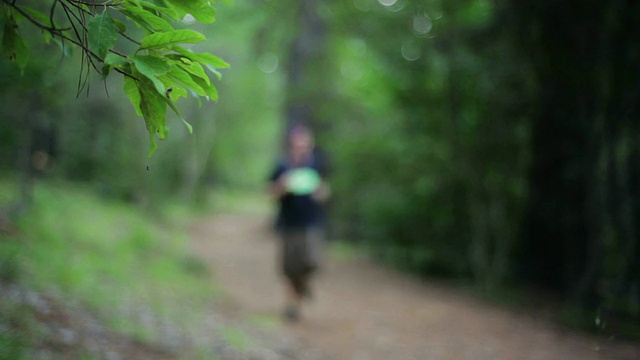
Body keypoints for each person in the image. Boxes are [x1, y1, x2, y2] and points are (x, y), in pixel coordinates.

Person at [268, 123, 329, 322]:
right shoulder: (282, 166)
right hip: (288, 223)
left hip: (311, 222)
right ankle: (293, 305)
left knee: (311, 262)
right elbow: (271, 192)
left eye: (305, 145)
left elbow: (325, 191)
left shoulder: (316, 165)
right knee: (289, 267)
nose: (301, 149)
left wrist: (321, 193)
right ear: (291, 146)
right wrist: (282, 186)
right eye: (298, 145)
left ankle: (301, 288)